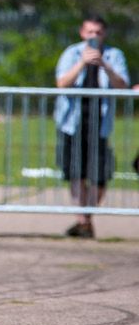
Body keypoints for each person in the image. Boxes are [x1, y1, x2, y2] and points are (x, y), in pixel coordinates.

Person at [54, 14, 130, 239]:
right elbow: (61, 84)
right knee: (75, 172)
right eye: (90, 32)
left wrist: (104, 65)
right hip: (72, 122)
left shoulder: (114, 55)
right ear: (82, 32)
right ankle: (83, 221)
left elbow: (122, 86)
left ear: (104, 34)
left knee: (100, 175)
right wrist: (82, 63)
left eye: (98, 32)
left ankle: (85, 220)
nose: (94, 36)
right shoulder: (72, 53)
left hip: (100, 123)